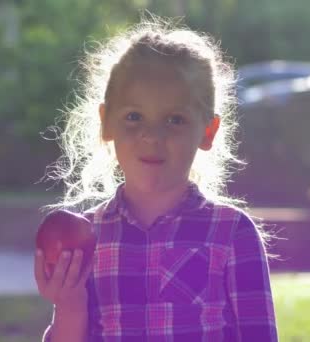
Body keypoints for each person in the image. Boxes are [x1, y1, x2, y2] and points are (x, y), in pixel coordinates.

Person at [34, 16, 278, 341]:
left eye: (175, 119)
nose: (151, 135)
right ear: (106, 123)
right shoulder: (87, 239)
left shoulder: (232, 233)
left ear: (208, 131)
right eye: (134, 116)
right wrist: (69, 304)